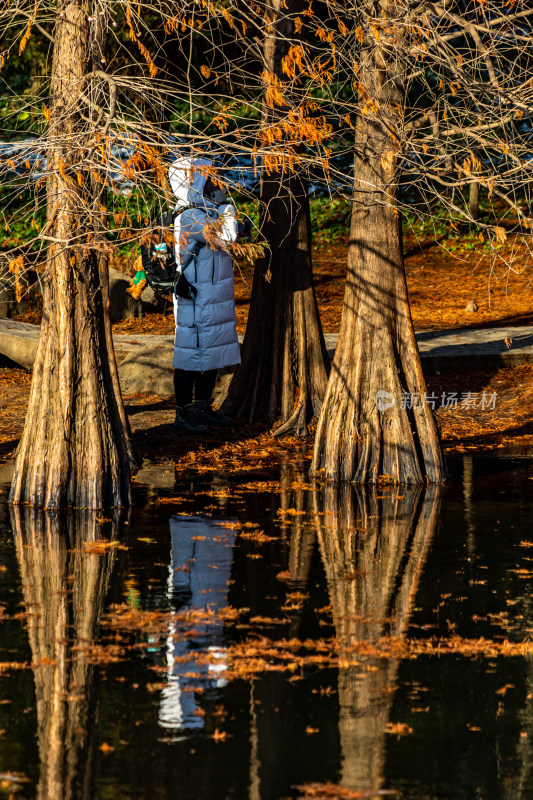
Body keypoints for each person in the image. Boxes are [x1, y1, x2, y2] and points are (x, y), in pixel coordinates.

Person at [168, 157, 242, 433]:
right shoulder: (189, 215)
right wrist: (228, 208)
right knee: (189, 354)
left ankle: (202, 407)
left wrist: (221, 208)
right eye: (207, 178)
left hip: (214, 293)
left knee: (211, 351)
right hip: (195, 296)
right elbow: (225, 236)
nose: (215, 183)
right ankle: (183, 413)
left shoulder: (205, 211)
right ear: (192, 182)